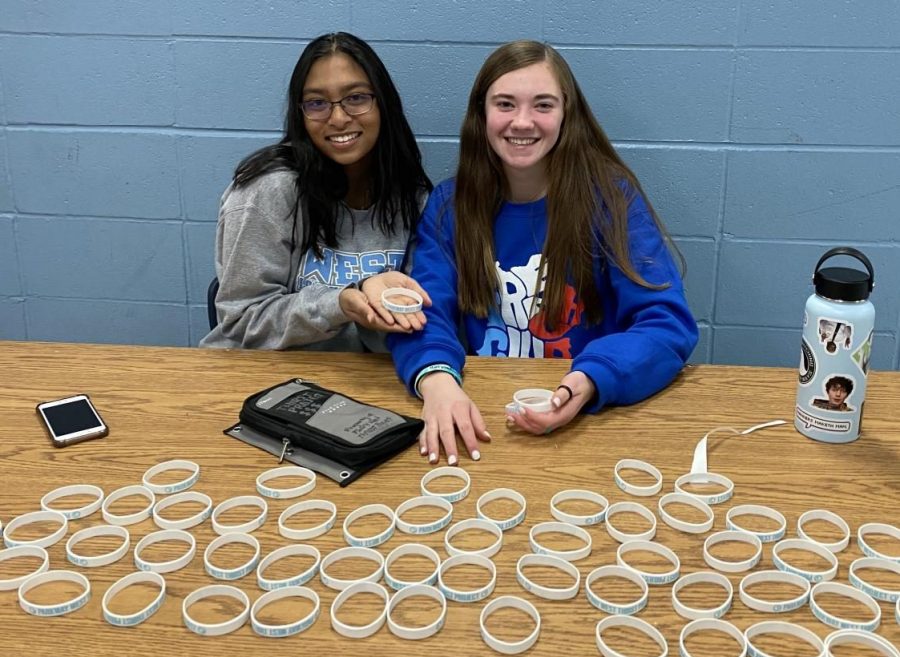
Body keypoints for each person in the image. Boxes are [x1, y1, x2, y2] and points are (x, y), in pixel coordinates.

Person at [389, 40, 698, 465]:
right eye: (505, 104)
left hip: (590, 419)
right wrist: (438, 381)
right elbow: (421, 314)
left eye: (543, 105)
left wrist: (590, 380)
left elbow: (667, 324)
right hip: (487, 415)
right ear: (481, 114)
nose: (522, 122)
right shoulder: (449, 206)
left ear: (566, 113)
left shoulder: (610, 200)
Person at [201, 32, 432, 351]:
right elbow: (241, 320)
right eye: (317, 103)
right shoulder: (267, 191)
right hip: (257, 376)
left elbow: (420, 315)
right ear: (301, 113)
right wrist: (340, 304)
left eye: (356, 98)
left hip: (355, 379)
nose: (338, 118)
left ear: (383, 103)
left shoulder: (412, 197)